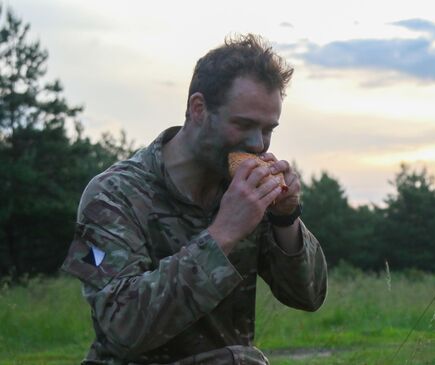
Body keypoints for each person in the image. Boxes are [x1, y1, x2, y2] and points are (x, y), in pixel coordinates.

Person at [61, 34, 328, 365]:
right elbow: (120, 328)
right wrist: (223, 233)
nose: (258, 143)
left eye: (268, 128)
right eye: (243, 124)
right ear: (198, 108)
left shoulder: (244, 190)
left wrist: (286, 218)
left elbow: (309, 296)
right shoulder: (109, 197)